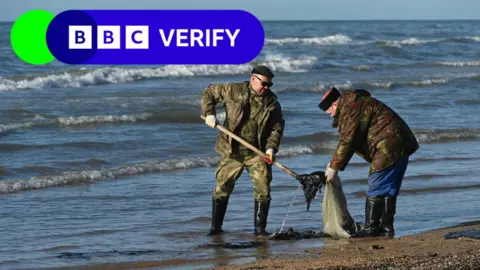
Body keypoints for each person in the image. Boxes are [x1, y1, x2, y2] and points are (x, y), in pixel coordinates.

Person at [317, 87, 419, 238]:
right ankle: (386, 228)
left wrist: (334, 167)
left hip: (388, 144)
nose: (330, 114)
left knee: (376, 183)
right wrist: (334, 164)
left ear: (335, 103)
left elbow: (348, 140)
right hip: (401, 142)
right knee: (388, 188)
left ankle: (371, 227)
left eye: (330, 110)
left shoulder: (351, 108)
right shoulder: (356, 103)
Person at [201, 65, 285, 236]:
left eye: (269, 85)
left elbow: (276, 127)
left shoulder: (272, 102)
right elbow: (209, 93)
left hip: (257, 152)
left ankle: (260, 230)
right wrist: (210, 113)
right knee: (222, 187)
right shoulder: (233, 90)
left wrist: (270, 148)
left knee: (263, 188)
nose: (266, 88)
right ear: (253, 79)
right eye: (264, 84)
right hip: (232, 151)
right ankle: (215, 229)